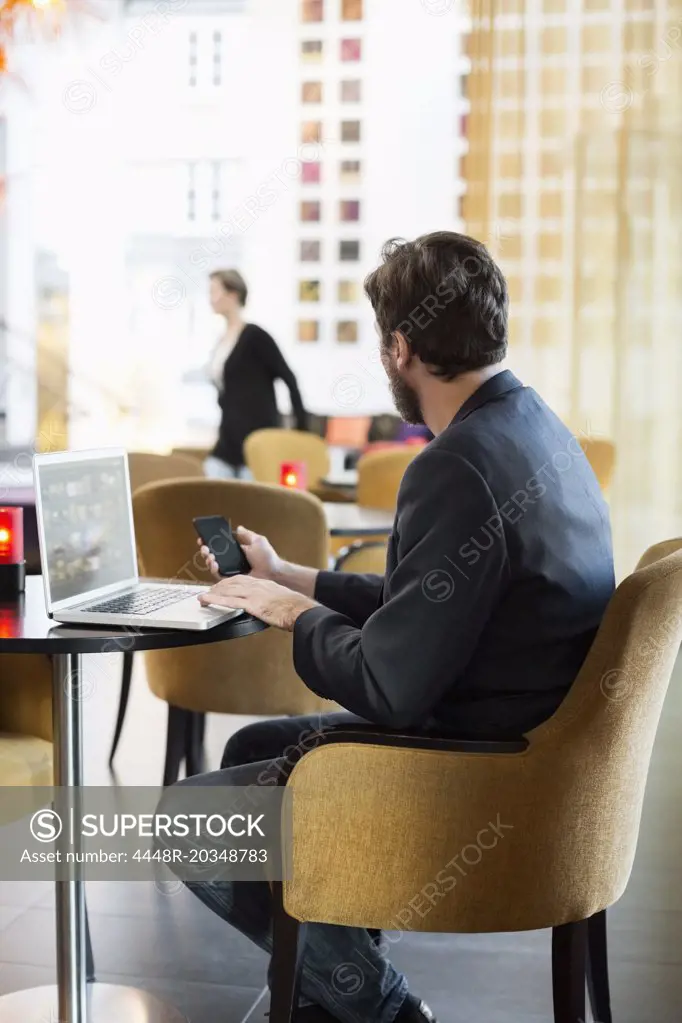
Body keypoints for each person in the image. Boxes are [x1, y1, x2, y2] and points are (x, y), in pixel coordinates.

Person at [169, 233, 615, 1022]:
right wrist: (289, 576)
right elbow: (432, 600)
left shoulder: (455, 464)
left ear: (400, 348)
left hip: (470, 774)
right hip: (530, 751)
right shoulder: (535, 429)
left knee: (190, 820)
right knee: (248, 752)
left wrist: (292, 614)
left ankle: (379, 1004)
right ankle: (329, 989)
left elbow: (390, 685)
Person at [204, 269, 308, 478]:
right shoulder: (222, 341)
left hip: (257, 442)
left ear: (233, 294)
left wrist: (301, 430)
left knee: (253, 505)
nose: (210, 298)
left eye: (214, 291)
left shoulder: (255, 337)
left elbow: (289, 378)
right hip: (227, 441)